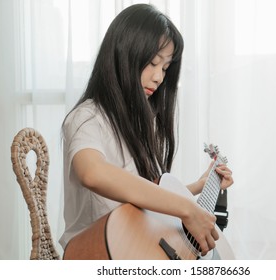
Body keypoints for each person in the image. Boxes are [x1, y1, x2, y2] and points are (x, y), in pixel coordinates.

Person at [59, 3, 233, 257]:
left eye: (165, 68)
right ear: (122, 55)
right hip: (97, 252)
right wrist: (187, 208)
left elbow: (136, 202)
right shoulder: (86, 118)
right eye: (152, 63)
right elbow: (93, 173)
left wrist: (197, 187)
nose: (159, 77)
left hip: (135, 245)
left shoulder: (140, 122)